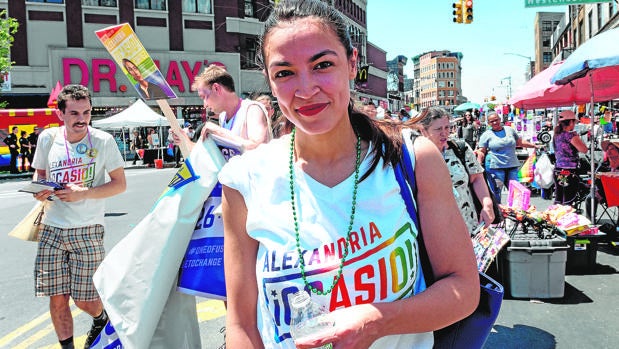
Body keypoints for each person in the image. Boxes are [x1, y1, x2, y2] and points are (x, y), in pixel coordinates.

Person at [218, 1, 479, 348]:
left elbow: (463, 287)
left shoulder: (412, 159)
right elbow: (241, 325)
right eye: (285, 73)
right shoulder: (244, 180)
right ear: (269, 80)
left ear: (352, 63)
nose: (306, 88)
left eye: (322, 65)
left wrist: (378, 321)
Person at [31, 84, 127, 349]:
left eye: (86, 112)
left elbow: (120, 184)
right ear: (61, 114)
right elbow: (39, 177)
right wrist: (39, 190)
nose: (82, 119)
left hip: (88, 229)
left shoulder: (102, 141)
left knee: (84, 299)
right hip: (52, 227)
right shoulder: (48, 138)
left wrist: (83, 193)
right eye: (74, 113)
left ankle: (101, 317)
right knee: (57, 297)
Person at [413, 107, 495, 234]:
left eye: (447, 127)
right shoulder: (415, 157)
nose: (444, 133)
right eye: (438, 129)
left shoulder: (460, 149)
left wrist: (487, 203)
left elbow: (477, 178)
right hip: (437, 232)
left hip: (470, 225)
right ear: (423, 131)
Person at [173, 64, 271, 152]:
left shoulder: (252, 109)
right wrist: (184, 139)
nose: (205, 105)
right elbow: (209, 156)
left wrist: (218, 131)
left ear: (216, 88)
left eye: (204, 97)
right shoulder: (223, 117)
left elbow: (259, 147)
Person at [477, 112, 539, 203]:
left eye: (496, 120)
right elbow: (481, 151)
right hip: (495, 167)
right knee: (496, 192)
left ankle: (515, 213)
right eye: (491, 121)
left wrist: (534, 146)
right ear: (488, 123)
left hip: (512, 165)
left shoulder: (510, 130)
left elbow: (519, 142)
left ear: (500, 119)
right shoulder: (486, 135)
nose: (494, 123)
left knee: (516, 192)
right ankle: (498, 214)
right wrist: (478, 165)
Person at [553, 110, 588, 206]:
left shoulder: (556, 135)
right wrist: (577, 137)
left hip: (558, 170)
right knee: (568, 200)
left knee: (559, 199)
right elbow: (584, 149)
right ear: (571, 122)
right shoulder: (571, 135)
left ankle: (557, 219)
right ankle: (567, 219)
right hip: (570, 171)